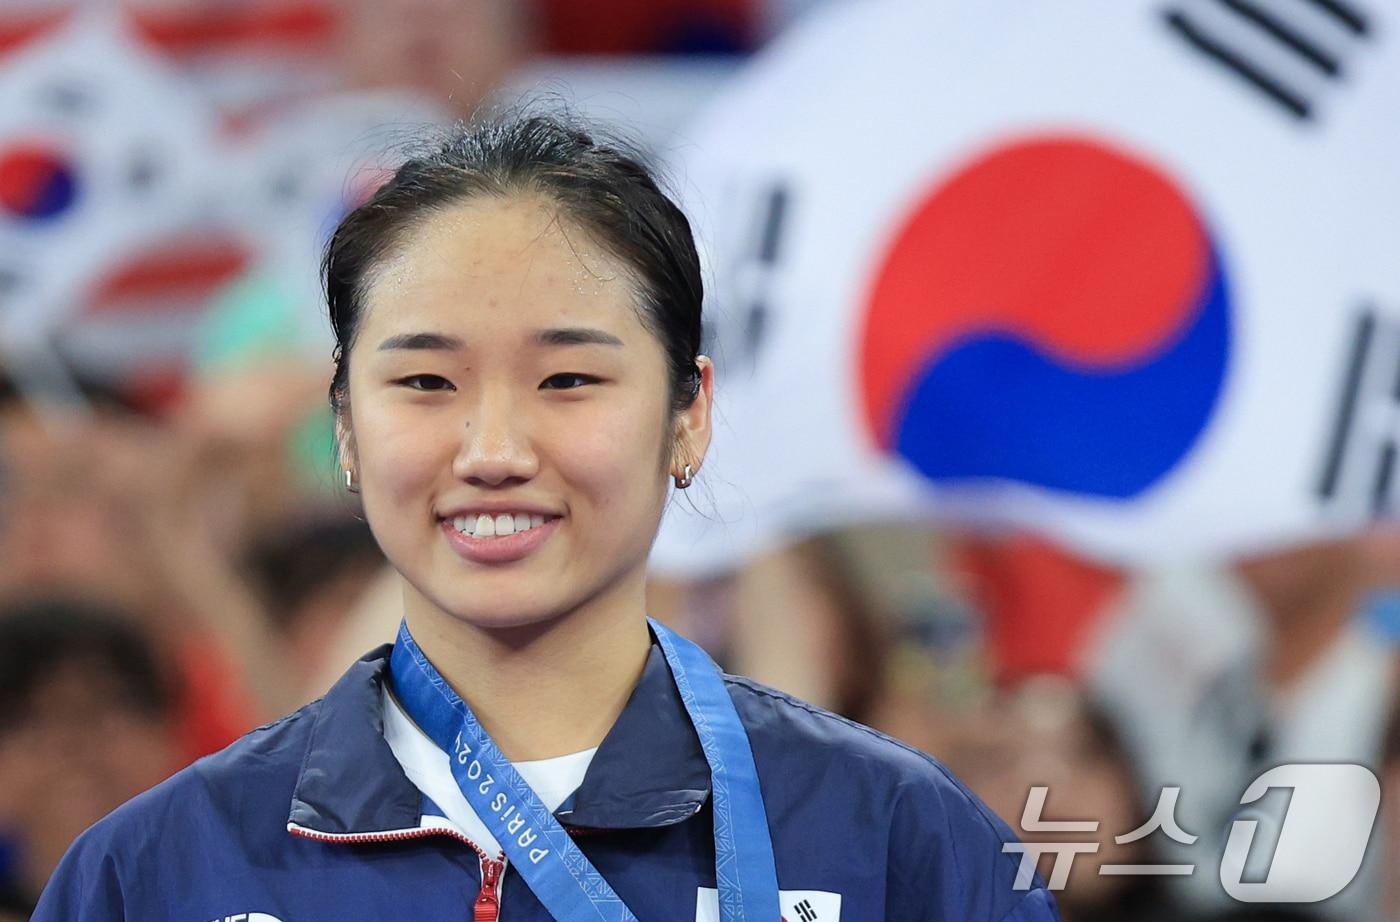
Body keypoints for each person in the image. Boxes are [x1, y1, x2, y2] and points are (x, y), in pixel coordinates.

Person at [33, 110, 1058, 921]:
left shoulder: (895, 840)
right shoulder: (156, 872)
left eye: (567, 378)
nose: (491, 452)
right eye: (426, 382)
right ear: (344, 427)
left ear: (688, 418)